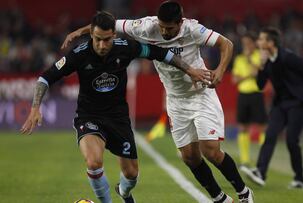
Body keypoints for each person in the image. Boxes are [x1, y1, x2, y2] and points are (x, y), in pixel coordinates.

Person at [62, 1, 254, 202]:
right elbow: (109, 24)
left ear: (180, 22)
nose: (163, 31)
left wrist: (220, 71)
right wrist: (80, 32)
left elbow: (227, 44)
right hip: (176, 101)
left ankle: (243, 192)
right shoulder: (145, 26)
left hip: (200, 94)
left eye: (169, 28)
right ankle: (220, 198)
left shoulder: (193, 29)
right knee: (189, 157)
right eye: (161, 26)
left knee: (210, 150)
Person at [20, 11, 211, 203]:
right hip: (89, 116)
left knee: (131, 174)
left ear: (114, 35)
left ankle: (124, 192)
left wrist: (190, 69)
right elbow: (45, 77)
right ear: (91, 35)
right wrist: (35, 107)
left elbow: (160, 53)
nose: (102, 45)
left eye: (107, 40)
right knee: (94, 162)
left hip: (118, 118)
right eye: (97, 40)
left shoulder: (126, 47)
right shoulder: (79, 54)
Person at [241, 27, 303, 188]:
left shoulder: (289, 57)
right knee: (269, 135)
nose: (258, 42)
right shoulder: (266, 61)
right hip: (280, 104)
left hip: (297, 103)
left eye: (261, 39)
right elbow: (260, 85)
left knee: (291, 140)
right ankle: (260, 172)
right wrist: (261, 66)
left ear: (270, 42)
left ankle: (299, 178)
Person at [231, 32, 267, 167]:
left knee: (262, 127)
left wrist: (250, 62)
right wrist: (249, 75)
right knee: (242, 127)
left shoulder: (260, 56)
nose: (246, 46)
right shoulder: (239, 59)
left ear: (254, 43)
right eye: (244, 43)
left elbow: (261, 72)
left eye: (248, 43)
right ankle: (245, 160)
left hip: (257, 94)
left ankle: (264, 160)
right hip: (243, 95)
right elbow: (235, 79)